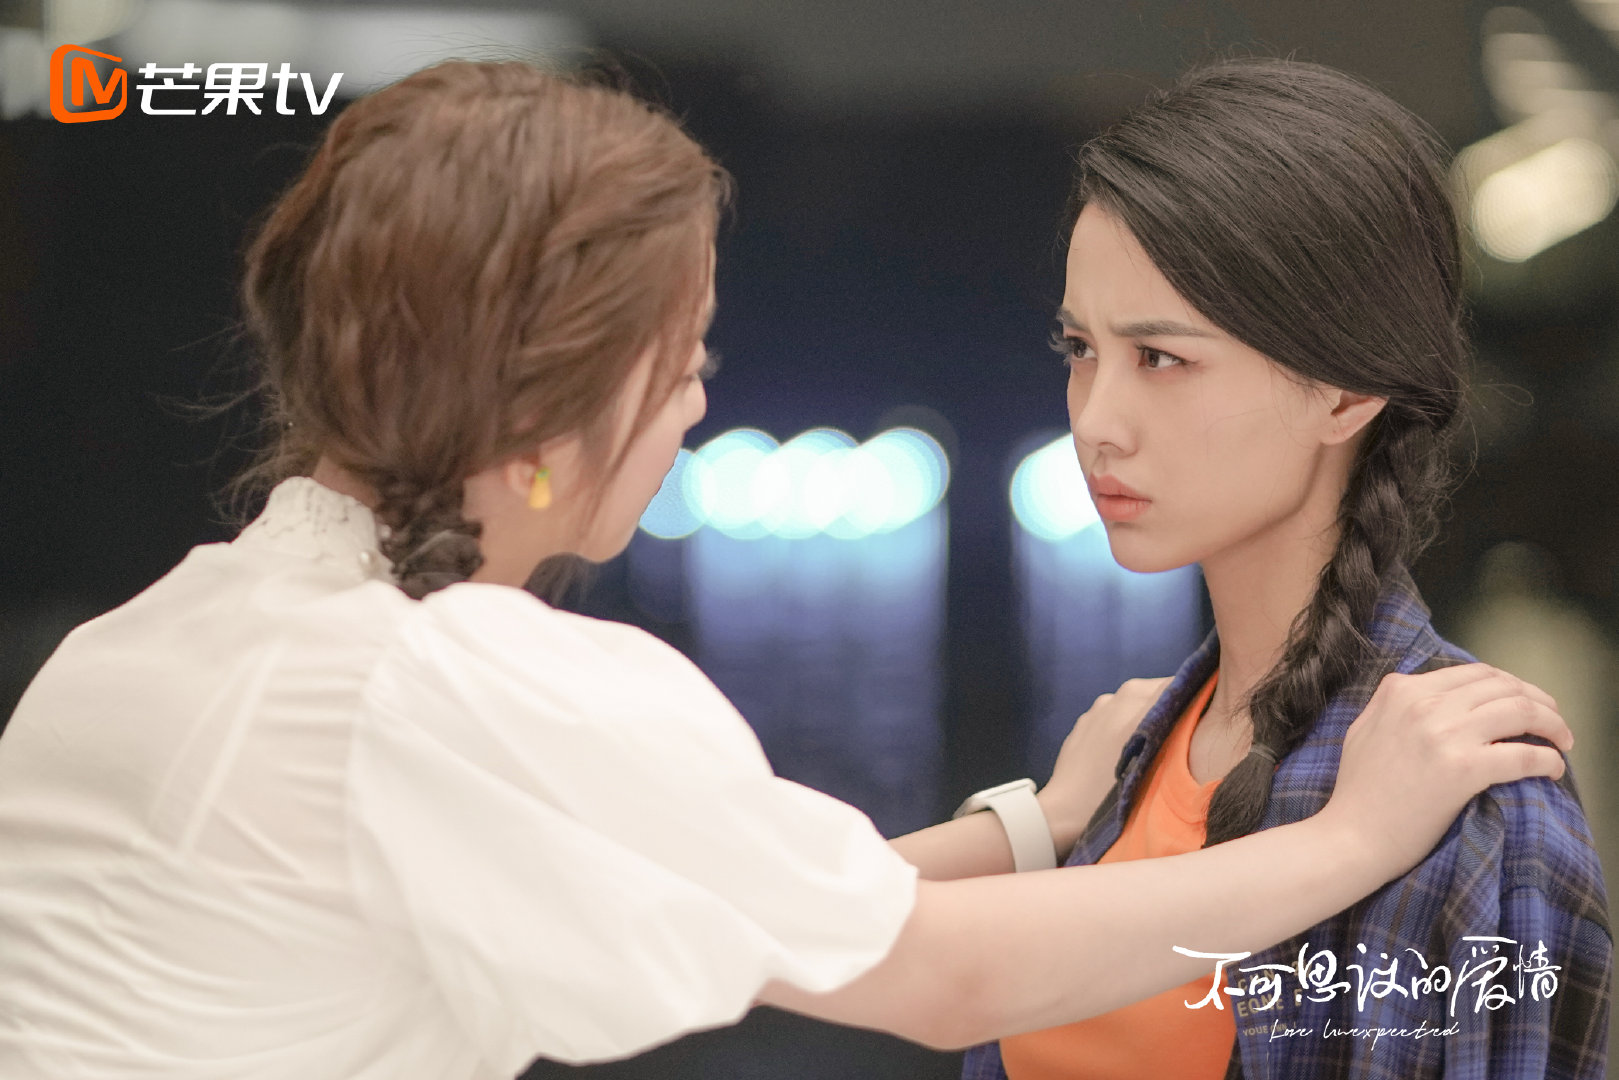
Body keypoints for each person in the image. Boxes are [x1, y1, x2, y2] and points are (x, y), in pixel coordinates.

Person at [0, 59, 1576, 1080]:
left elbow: (736, 894)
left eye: (1159, 355)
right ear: (554, 399)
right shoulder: (434, 681)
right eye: (682, 362)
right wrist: (1349, 836)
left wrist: (1037, 827)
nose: (694, 408)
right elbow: (934, 979)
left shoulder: (162, 640)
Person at [961, 58, 1612, 1080]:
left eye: (1161, 358)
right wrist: (1037, 823)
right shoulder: (1126, 756)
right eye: (1079, 349)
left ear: (1344, 391)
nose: (1096, 422)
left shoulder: (1471, 793)